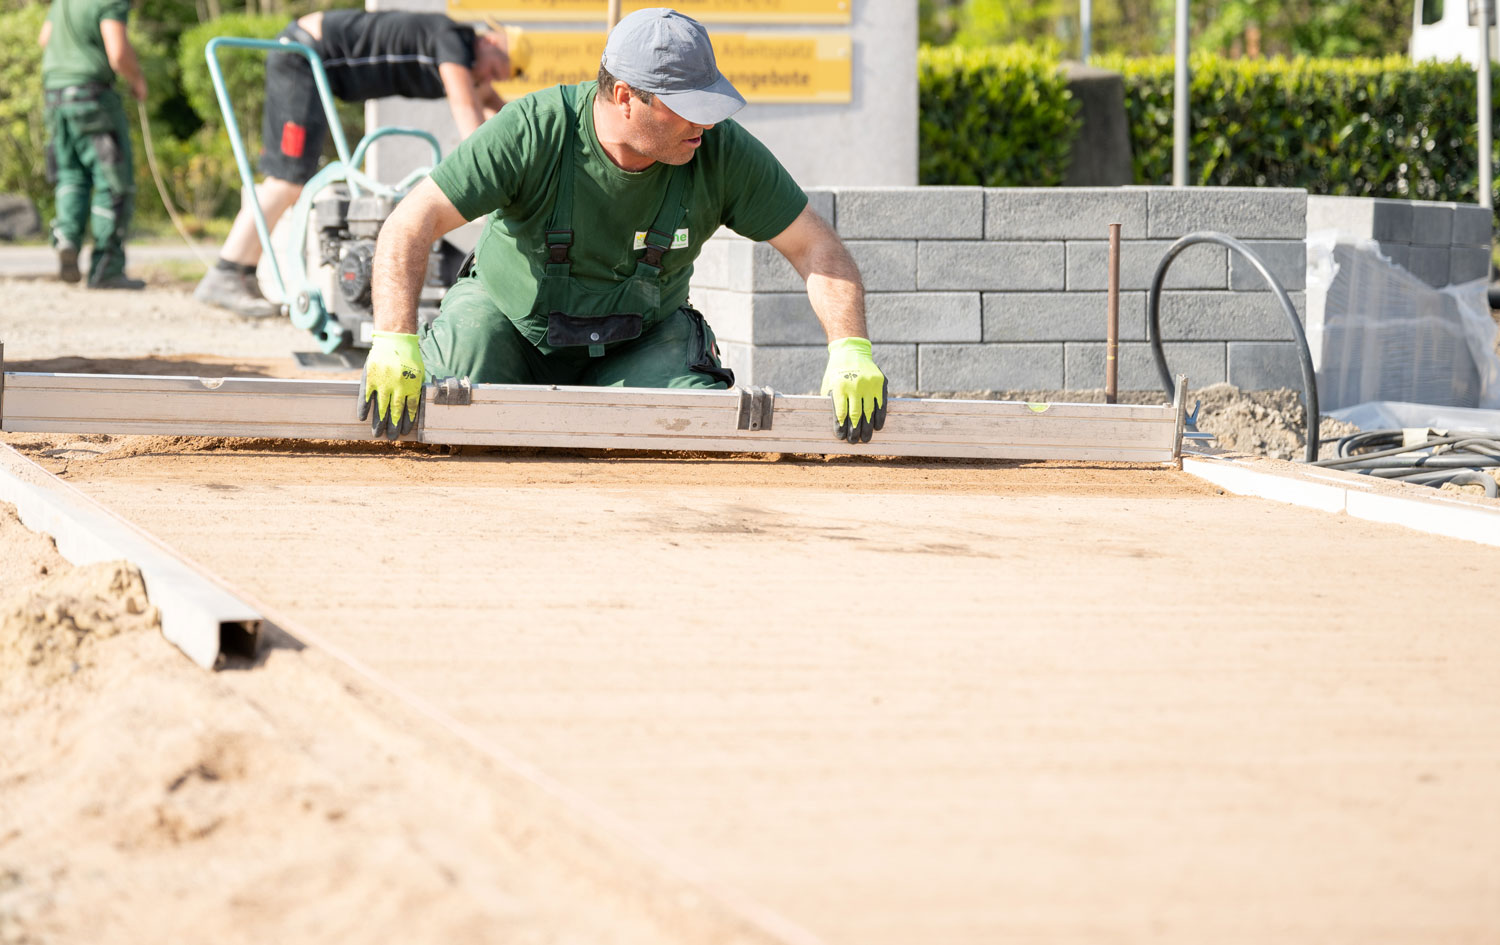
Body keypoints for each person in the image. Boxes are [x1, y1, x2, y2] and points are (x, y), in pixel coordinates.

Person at [357, 7, 887, 445]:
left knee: (702, 434)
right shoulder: (533, 130)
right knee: (440, 409)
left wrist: (850, 350)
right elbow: (411, 222)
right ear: (628, 97)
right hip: (508, 327)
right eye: (687, 108)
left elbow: (817, 247)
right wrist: (392, 339)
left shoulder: (719, 152)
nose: (704, 123)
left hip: (640, 343)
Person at [194, 10, 530, 317]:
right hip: (302, 53)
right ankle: (226, 271)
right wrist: (489, 177)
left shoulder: (461, 57)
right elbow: (467, 112)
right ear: (488, 42)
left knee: (292, 181)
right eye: (494, 69)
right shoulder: (454, 41)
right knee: (287, 180)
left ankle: (240, 273)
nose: (489, 78)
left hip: (313, 59)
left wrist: (532, 151)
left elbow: (499, 115)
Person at [39, 0, 148, 289]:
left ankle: (67, 237)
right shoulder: (110, 1)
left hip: (54, 97)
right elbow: (118, 53)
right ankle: (106, 269)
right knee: (113, 182)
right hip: (92, 99)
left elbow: (44, 39)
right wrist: (137, 79)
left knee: (71, 174)